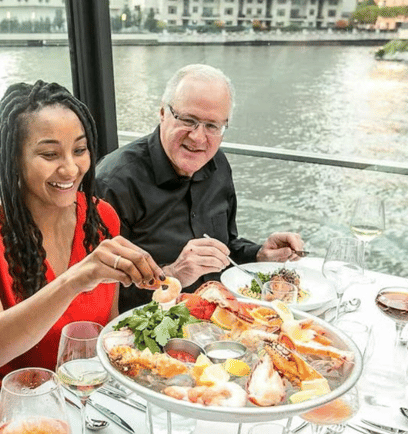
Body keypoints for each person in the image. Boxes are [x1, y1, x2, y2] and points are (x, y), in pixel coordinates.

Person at [0, 80, 165, 429]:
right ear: (14, 159)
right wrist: (77, 278)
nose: (70, 169)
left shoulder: (101, 217)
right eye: (49, 154)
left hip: (80, 391)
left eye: (79, 150)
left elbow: (103, 333)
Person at [95, 64, 305, 311]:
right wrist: (173, 275)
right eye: (188, 120)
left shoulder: (218, 164)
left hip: (219, 316)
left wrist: (259, 254)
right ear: (163, 113)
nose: (198, 137)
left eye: (212, 126)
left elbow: (226, 246)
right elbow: (101, 296)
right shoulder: (114, 182)